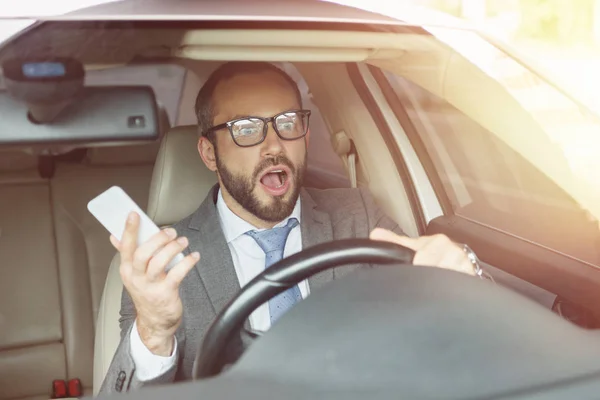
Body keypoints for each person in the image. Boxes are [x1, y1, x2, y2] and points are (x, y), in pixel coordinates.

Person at [99, 62, 484, 394]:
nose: (274, 146)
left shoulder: (359, 216)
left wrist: (461, 278)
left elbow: (445, 329)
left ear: (306, 135)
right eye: (247, 129)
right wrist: (154, 331)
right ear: (209, 153)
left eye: (287, 123)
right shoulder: (162, 259)